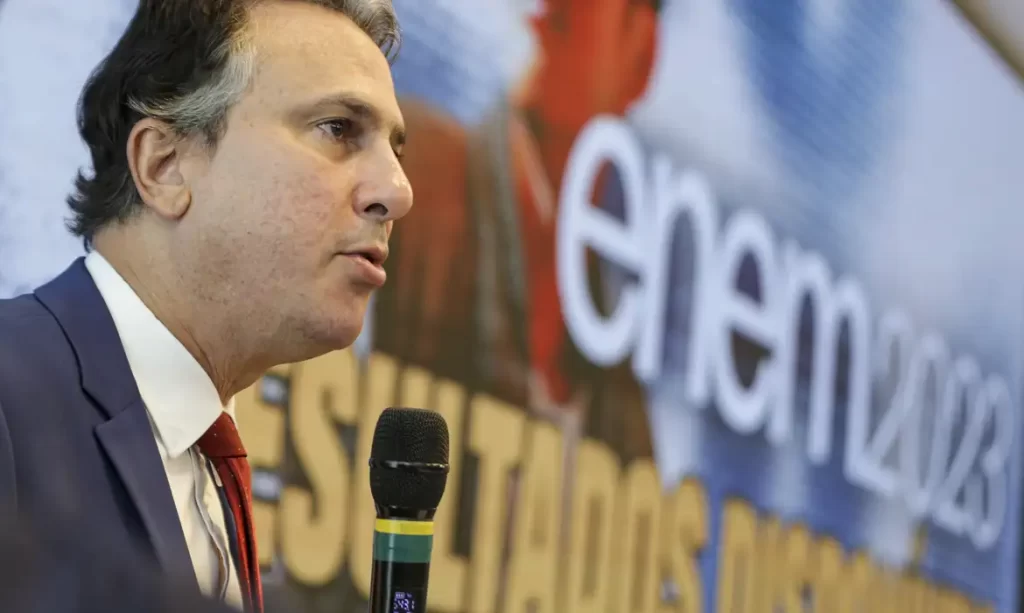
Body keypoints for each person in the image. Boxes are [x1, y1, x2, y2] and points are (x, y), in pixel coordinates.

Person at [0, 0, 412, 611]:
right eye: (337, 128)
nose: (398, 192)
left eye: (396, 150)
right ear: (164, 166)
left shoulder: (211, 468)